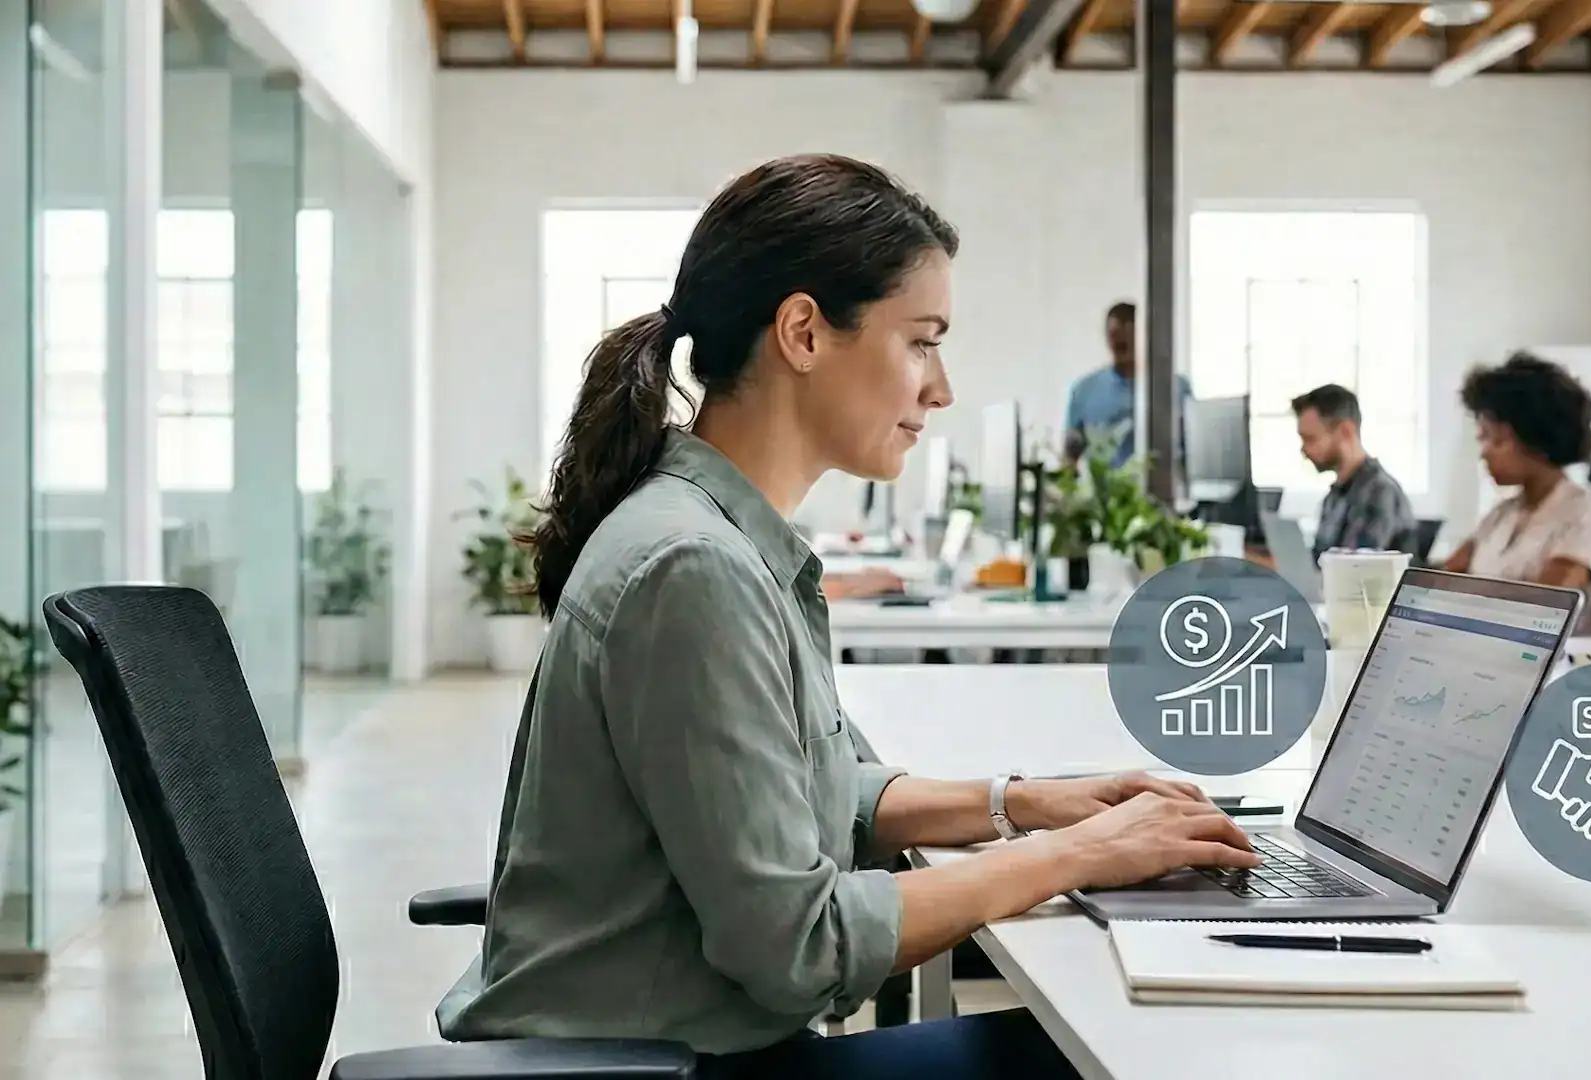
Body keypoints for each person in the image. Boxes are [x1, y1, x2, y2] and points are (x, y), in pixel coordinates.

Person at [435, 155, 1258, 1078]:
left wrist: (1021, 805)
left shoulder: (720, 536)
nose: (940, 389)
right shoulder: (693, 568)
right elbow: (803, 949)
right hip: (658, 1065)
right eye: (921, 341)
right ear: (802, 332)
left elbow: (831, 792)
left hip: (671, 1043)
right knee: (1119, 1054)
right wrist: (1075, 855)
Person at [1442, 352, 1591, 636]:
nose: (1484, 452)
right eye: (1482, 438)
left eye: (1497, 440)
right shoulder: (1501, 514)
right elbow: (1440, 584)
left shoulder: (1589, 511)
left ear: (1537, 438)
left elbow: (1543, 610)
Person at [1291, 384, 1417, 559]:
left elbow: (1354, 572)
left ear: (1345, 431)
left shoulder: (1380, 492)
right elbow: (1318, 563)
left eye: (1310, 439)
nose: (1304, 450)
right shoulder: (1334, 496)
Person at [1063, 301, 1191, 469]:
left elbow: (1193, 450)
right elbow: (1069, 459)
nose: (1120, 340)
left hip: (1163, 490)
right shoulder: (1084, 391)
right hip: (1106, 492)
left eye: (1129, 333)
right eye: (1114, 334)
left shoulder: (1176, 388)